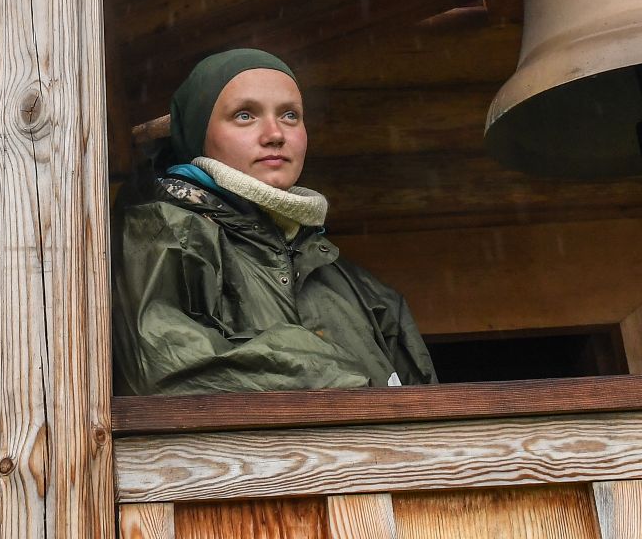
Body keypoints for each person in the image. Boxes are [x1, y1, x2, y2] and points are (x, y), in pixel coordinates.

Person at [112, 48, 437, 395]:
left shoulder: (368, 294)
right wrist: (339, 382)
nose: (274, 133)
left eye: (290, 116)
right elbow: (159, 366)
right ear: (198, 134)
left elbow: (431, 420)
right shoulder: (160, 232)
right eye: (244, 116)